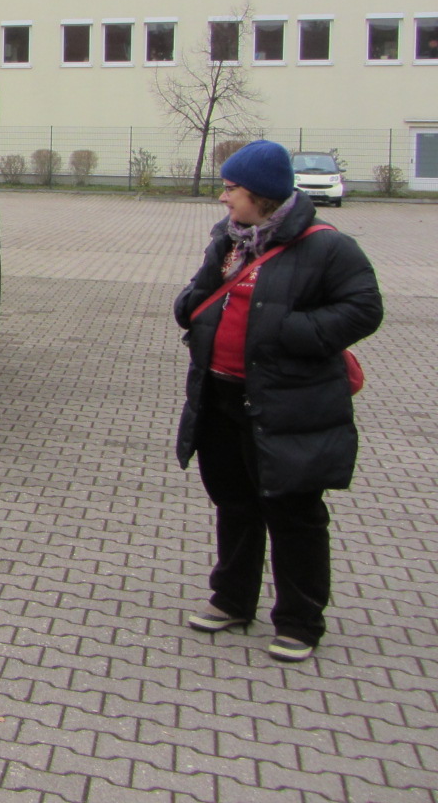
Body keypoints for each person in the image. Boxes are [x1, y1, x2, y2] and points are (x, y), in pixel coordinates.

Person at [173, 139, 381, 662]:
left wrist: (291, 330)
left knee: (293, 510)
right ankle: (233, 600)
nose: (223, 198)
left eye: (231, 189)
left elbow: (364, 309)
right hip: (220, 393)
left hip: (287, 403)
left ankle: (299, 621)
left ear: (262, 195)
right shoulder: (229, 239)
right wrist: (191, 306)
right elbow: (203, 292)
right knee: (234, 502)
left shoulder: (327, 246)